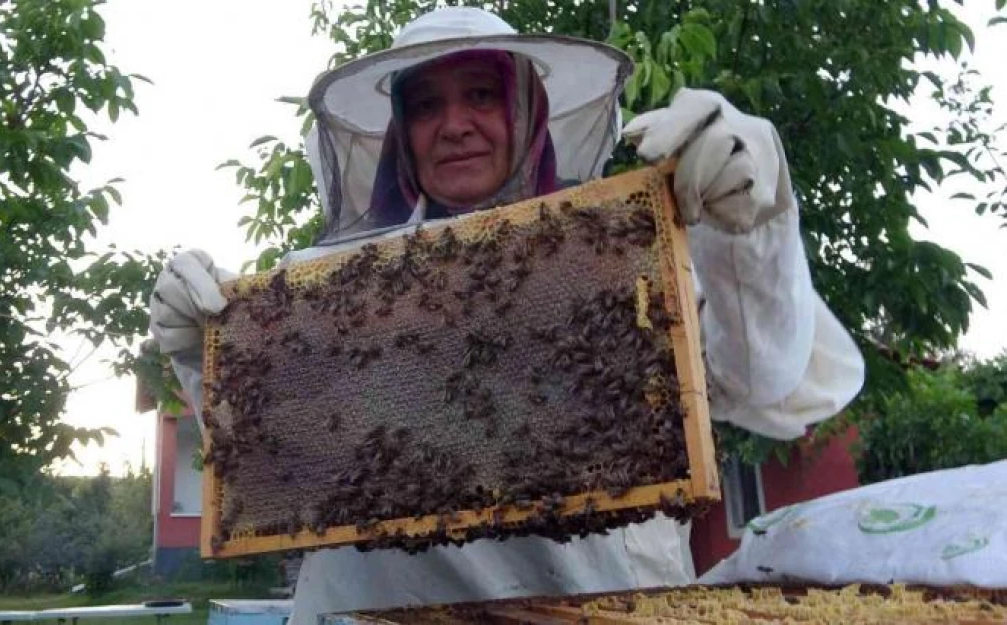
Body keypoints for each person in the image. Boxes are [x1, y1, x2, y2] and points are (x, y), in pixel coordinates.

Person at [148, 7, 866, 624]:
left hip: (597, 604)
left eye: (481, 94)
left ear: (527, 111)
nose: (453, 125)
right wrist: (201, 355)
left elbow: (762, 377)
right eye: (425, 105)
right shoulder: (324, 292)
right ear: (400, 131)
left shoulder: (626, 254)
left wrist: (749, 229)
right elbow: (278, 466)